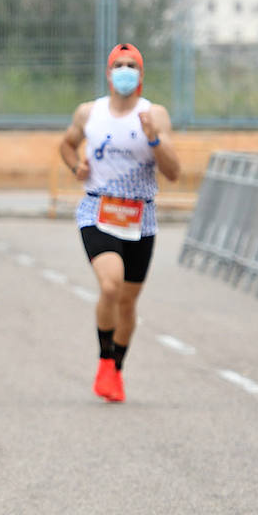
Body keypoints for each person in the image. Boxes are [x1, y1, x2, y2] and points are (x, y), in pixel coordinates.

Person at [58, 43, 180, 403]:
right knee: (110, 287)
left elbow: (173, 172)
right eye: (119, 65)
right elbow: (66, 145)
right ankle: (103, 359)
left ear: (141, 75)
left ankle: (115, 369)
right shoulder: (89, 113)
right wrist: (75, 165)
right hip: (98, 210)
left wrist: (154, 138)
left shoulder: (154, 114)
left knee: (127, 303)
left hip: (140, 216)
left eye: (132, 65)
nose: (125, 71)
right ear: (108, 73)